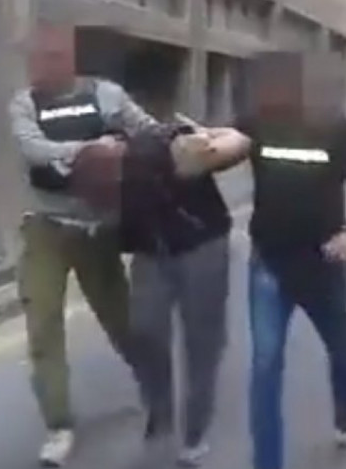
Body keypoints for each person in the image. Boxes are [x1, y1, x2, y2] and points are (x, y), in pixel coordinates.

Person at [8, 23, 161, 467]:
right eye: (36, 58)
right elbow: (32, 148)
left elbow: (149, 132)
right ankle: (59, 425)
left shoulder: (105, 95)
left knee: (122, 320)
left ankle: (156, 389)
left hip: (97, 229)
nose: (41, 66)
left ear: (70, 59)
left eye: (52, 57)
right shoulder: (24, 103)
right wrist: (94, 150)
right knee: (42, 326)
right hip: (46, 227)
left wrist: (130, 149)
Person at [238, 51, 346, 469]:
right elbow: (224, 145)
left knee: (341, 351)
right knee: (265, 364)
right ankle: (266, 462)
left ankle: (345, 414)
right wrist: (197, 145)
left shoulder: (340, 131)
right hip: (269, 265)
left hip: (323, 266)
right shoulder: (259, 123)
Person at [120, 50, 251, 467]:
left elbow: (235, 145)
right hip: (150, 250)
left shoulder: (184, 136)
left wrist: (211, 139)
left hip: (201, 245)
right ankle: (160, 408)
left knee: (202, 342)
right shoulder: (112, 141)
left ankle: (195, 432)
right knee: (144, 331)